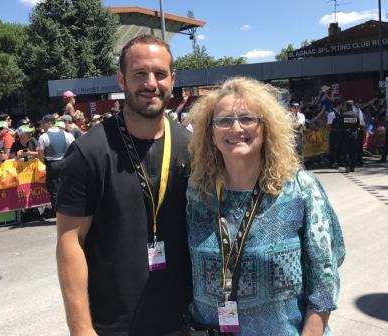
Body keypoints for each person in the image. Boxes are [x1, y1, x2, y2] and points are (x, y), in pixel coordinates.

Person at [56, 34, 192, 336]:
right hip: (114, 326)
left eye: (159, 74)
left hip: (186, 322)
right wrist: (80, 328)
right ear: (121, 79)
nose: (150, 83)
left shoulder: (192, 146)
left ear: (172, 78)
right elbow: (70, 241)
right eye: (139, 74)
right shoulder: (89, 152)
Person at [187, 77, 345, 335]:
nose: (235, 128)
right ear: (210, 132)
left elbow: (325, 279)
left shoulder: (300, 189)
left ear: (267, 127)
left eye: (248, 119)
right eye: (224, 121)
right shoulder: (197, 192)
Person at [37, 114, 74, 214]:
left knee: (54, 189)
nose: (42, 126)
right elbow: (73, 150)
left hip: (52, 165)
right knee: (68, 187)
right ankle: (71, 210)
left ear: (49, 123)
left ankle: (59, 214)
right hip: (66, 163)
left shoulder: (43, 137)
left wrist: (44, 165)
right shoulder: (67, 134)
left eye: (43, 124)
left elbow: (40, 156)